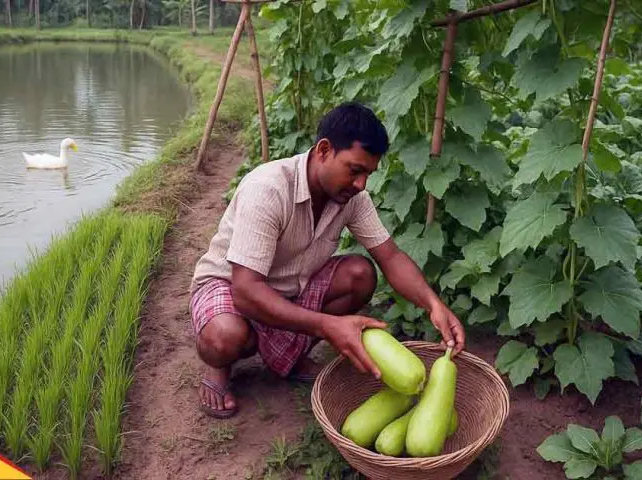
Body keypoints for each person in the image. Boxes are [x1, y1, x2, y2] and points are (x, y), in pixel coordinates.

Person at [189, 102, 465, 418]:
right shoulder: (267, 189)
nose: (362, 184)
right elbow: (246, 292)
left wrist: (434, 305)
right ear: (323, 151)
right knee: (224, 336)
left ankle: (288, 355)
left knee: (360, 275)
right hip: (232, 286)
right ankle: (218, 370)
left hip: (288, 289)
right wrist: (327, 326)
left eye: (368, 174)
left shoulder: (351, 197)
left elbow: (390, 256)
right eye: (354, 170)